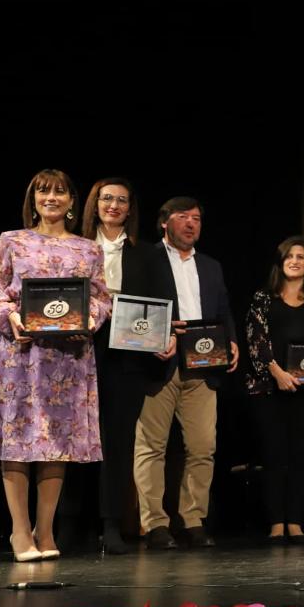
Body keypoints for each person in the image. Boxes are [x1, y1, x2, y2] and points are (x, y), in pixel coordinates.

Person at [0, 169, 111, 562]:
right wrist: (12, 319)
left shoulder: (88, 249)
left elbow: (101, 299)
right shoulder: (11, 242)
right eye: (43, 191)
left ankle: (45, 530)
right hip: (20, 357)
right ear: (33, 199)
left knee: (56, 444)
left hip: (67, 359)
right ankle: (20, 532)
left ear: (72, 201)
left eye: (60, 192)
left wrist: (90, 318)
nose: (52, 198)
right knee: (16, 441)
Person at [133, 196, 239, 550]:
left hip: (204, 365)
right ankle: (155, 524)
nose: (192, 224)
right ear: (165, 222)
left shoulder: (210, 265)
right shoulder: (145, 258)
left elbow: (223, 308)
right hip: (159, 364)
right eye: (183, 217)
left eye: (197, 218)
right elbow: (133, 310)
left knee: (203, 446)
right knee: (152, 447)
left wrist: (232, 342)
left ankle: (192, 518)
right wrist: (156, 337)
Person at [245, 236, 304, 543]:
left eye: (301, 256)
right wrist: (277, 372)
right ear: (280, 262)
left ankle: (296, 522)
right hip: (271, 388)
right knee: (274, 455)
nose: (296, 261)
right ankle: (275, 522)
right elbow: (256, 339)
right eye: (290, 256)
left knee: (302, 456)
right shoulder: (263, 297)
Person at [81, 177, 151, 554]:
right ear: (95, 203)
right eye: (107, 198)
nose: (113, 206)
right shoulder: (75, 246)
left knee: (118, 441)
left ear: (130, 209)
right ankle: (69, 523)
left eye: (122, 200)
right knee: (75, 441)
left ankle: (112, 524)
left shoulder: (146, 253)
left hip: (127, 355)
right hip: (78, 353)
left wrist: (163, 337)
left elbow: (159, 304)